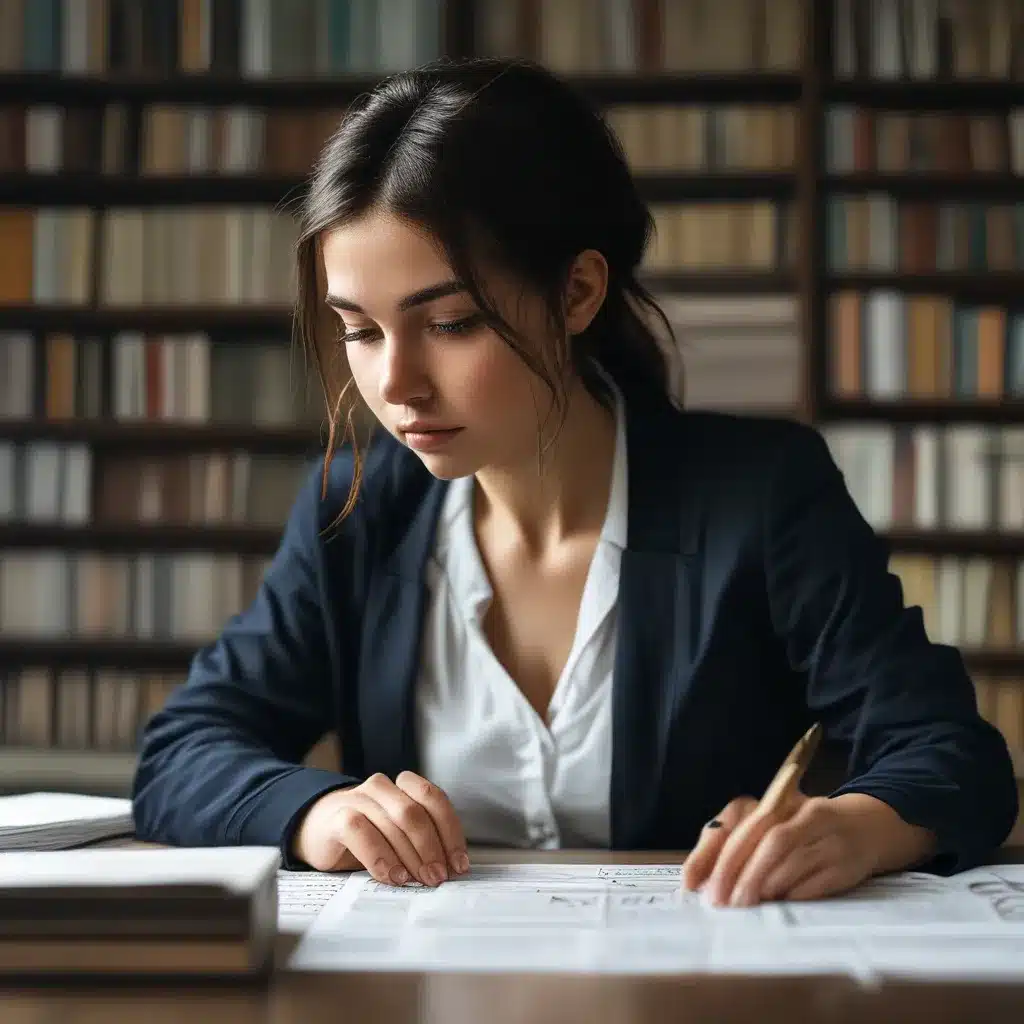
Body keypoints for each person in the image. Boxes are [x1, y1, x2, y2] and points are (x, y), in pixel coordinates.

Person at [131, 57, 1017, 908]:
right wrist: (316, 812)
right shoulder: (356, 509)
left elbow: (949, 753)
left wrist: (851, 829)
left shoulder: (761, 493)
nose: (396, 383)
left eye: (449, 322)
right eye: (360, 331)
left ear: (578, 292)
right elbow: (183, 751)